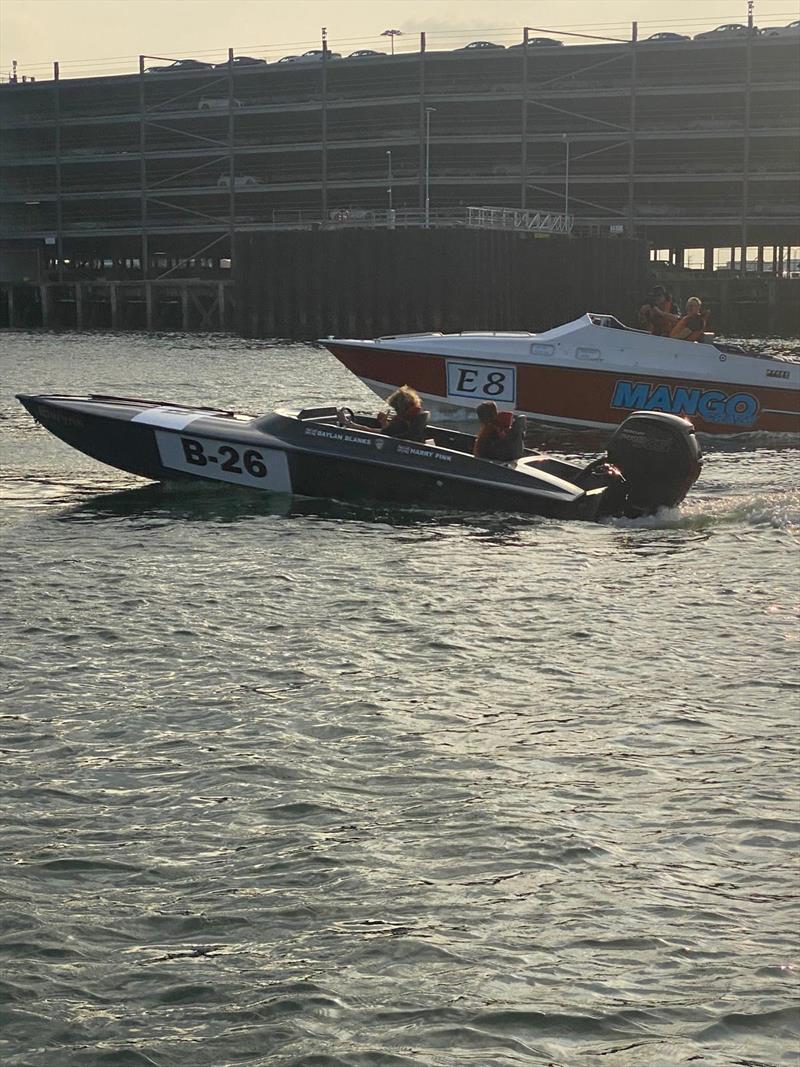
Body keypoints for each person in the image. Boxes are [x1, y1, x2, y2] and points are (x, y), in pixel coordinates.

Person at [340, 385, 429, 442]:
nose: (396, 412)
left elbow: (376, 433)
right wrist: (384, 423)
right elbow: (390, 432)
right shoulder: (418, 418)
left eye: (396, 409)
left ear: (401, 408)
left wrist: (349, 424)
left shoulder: (402, 421)